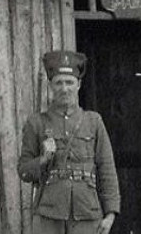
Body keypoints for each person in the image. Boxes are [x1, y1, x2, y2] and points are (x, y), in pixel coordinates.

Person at [18, 50, 119, 234]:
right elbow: (24, 171)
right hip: (49, 216)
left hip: (87, 215)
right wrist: (43, 159)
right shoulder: (37, 123)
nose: (64, 88)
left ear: (78, 84)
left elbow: (107, 170)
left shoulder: (93, 121)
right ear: (50, 85)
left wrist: (110, 214)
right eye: (58, 83)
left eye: (69, 82)